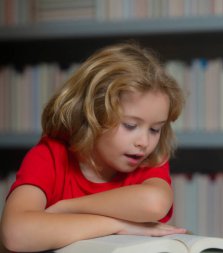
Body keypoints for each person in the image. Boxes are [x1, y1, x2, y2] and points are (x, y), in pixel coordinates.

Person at [0, 42, 187, 252]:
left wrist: (67, 208)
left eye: (155, 129)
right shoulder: (50, 156)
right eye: (130, 125)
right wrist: (119, 225)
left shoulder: (149, 159)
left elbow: (154, 203)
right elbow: (15, 234)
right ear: (93, 116)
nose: (144, 142)